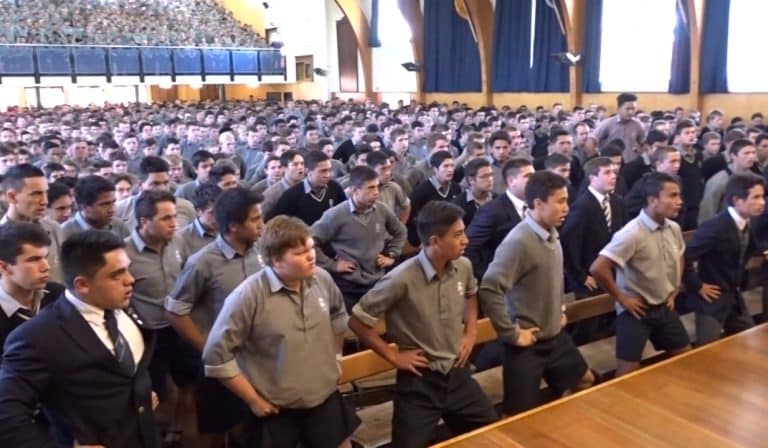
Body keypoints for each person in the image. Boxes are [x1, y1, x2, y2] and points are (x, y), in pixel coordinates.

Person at [349, 201, 498, 447]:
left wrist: (470, 332)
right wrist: (394, 357)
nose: (466, 241)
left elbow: (471, 294)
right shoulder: (401, 278)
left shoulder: (463, 266)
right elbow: (357, 320)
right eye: (458, 235)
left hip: (457, 374)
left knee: (492, 435)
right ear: (435, 240)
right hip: (420, 383)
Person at [203, 216, 360, 447]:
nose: (311, 257)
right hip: (276, 410)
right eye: (299, 253)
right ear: (276, 260)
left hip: (324, 399)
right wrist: (253, 399)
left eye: (311, 248)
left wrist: (336, 356)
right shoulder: (248, 296)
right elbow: (216, 356)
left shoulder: (322, 279)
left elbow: (338, 315)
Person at [0, 230, 159, 448]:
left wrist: (137, 394)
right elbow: (7, 416)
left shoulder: (120, 307)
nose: (130, 280)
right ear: (82, 284)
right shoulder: (36, 337)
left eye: (128, 270)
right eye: (117, 274)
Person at [480, 171, 595, 415]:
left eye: (566, 200)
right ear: (538, 204)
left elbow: (549, 281)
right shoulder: (518, 242)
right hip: (527, 345)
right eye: (560, 201)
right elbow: (490, 289)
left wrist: (559, 310)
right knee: (519, 415)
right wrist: (511, 334)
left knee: (584, 380)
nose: (567, 207)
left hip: (555, 337)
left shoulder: (552, 233)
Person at [165, 187, 265, 443]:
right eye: (255, 220)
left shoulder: (260, 253)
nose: (262, 225)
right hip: (222, 364)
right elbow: (176, 310)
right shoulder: (203, 261)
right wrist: (208, 348)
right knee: (217, 431)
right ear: (233, 226)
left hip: (257, 358)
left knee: (254, 428)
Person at [590, 172, 692, 376]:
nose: (679, 202)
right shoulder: (632, 233)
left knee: (686, 357)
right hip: (637, 311)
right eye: (672, 196)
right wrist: (622, 298)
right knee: (627, 373)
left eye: (679, 196)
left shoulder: (673, 228)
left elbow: (680, 255)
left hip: (664, 306)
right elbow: (598, 268)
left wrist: (674, 288)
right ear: (653, 200)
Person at [684, 173, 765, 345]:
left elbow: (749, 248)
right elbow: (683, 257)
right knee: (706, 350)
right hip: (711, 300)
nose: (762, 202)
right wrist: (698, 285)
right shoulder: (715, 227)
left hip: (733, 296)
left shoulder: (748, 223)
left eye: (763, 197)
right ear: (737, 200)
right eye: (756, 197)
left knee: (749, 343)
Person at [312, 166, 407, 311]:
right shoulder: (335, 215)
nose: (376, 192)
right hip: (348, 286)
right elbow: (310, 242)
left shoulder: (382, 210)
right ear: (354, 190)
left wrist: (392, 254)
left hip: (377, 281)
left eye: (377, 187)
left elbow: (400, 231)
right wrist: (332, 265)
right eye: (370, 188)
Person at [0, 223, 63, 357]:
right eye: (33, 260)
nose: (46, 267)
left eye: (45, 257)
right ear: (4, 267)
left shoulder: (59, 295)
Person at [465, 158, 533, 281]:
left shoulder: (534, 204)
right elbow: (469, 247)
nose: (533, 181)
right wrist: (487, 277)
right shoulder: (492, 210)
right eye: (528, 176)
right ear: (512, 181)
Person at [0, 164, 64, 283]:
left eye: (46, 193)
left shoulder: (53, 228)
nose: (44, 201)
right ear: (12, 196)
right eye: (36, 194)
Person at [266, 151, 346, 226]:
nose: (328, 175)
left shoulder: (335, 187)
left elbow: (346, 212)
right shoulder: (291, 196)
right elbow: (275, 224)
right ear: (308, 171)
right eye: (323, 171)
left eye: (329, 170)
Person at [62, 175, 130, 240]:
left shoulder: (118, 225)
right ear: (83, 206)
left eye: (113, 203)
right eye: (105, 204)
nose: (112, 210)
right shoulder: (63, 234)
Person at [178, 182, 221, 259]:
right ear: (198, 211)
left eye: (221, 211)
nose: (218, 217)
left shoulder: (228, 231)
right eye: (212, 213)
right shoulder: (182, 239)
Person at [452, 158, 495, 226]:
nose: (490, 179)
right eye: (484, 176)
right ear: (471, 180)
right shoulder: (457, 204)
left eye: (491, 175)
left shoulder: (498, 199)